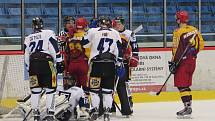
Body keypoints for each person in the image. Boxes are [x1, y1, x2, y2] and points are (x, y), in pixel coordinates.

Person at [81, 16, 124, 121]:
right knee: (108, 91)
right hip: (110, 64)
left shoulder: (93, 31)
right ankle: (107, 113)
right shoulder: (115, 33)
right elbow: (120, 50)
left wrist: (87, 33)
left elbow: (84, 44)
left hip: (96, 64)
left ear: (99, 23)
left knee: (94, 90)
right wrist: (119, 63)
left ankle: (95, 110)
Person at [24, 17, 64, 121]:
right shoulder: (48, 33)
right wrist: (59, 61)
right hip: (47, 63)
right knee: (51, 90)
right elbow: (54, 48)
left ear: (32, 26)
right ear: (42, 24)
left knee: (35, 91)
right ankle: (50, 113)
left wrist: (30, 69)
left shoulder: (27, 38)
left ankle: (36, 113)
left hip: (33, 65)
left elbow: (26, 56)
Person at [169, 11, 204, 118]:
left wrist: (173, 62)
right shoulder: (194, 30)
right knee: (185, 85)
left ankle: (187, 108)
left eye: (177, 18)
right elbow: (201, 45)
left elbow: (176, 49)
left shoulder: (177, 32)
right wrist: (192, 52)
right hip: (192, 61)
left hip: (182, 62)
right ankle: (188, 107)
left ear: (179, 20)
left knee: (181, 85)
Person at [57, 16, 90, 120]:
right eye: (68, 22)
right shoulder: (85, 35)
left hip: (70, 64)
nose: (70, 24)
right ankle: (82, 109)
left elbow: (66, 50)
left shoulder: (71, 35)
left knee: (72, 88)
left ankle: (73, 110)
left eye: (72, 22)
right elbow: (88, 51)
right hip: (78, 64)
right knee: (83, 88)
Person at [111, 16, 139, 117]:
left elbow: (135, 47)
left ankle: (129, 101)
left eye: (119, 24)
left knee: (125, 82)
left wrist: (135, 57)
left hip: (125, 62)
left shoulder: (129, 33)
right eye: (116, 24)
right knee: (112, 84)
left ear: (123, 24)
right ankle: (111, 105)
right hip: (114, 62)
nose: (117, 26)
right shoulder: (113, 32)